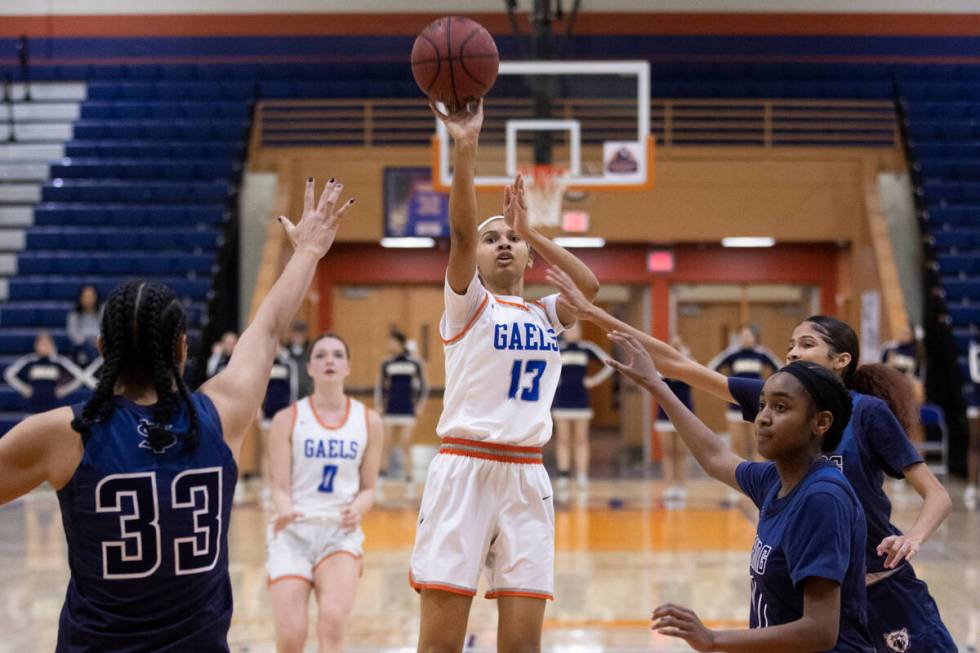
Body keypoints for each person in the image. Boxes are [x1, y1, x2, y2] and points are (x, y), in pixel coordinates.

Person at [0, 176, 354, 650]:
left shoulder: (64, 433)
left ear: (105, 349)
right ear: (184, 348)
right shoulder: (221, 414)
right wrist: (309, 250)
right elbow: (269, 328)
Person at [547, 268, 957, 653]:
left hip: (883, 587)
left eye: (807, 344)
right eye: (790, 346)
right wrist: (591, 314)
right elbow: (680, 369)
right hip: (815, 593)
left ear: (841, 361)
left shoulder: (864, 413)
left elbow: (935, 494)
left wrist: (912, 538)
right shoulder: (779, 406)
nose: (793, 354)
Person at [410, 100, 599, 653]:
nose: (502, 245)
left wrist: (530, 230)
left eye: (509, 240)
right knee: (440, 644)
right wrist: (465, 149)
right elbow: (463, 238)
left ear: (527, 257)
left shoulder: (543, 314)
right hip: (464, 470)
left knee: (522, 647)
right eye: (494, 239)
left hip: (526, 476)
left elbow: (587, 291)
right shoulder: (469, 307)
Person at [609, 335, 873, 652]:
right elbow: (715, 457)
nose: (762, 417)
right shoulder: (776, 479)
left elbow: (820, 630)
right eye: (762, 405)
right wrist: (657, 386)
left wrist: (713, 639)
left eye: (780, 407)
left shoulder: (822, 498)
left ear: (821, 422)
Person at [266, 332, 383, 653]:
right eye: (320, 355)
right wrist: (285, 506)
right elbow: (278, 486)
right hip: (293, 532)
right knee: (292, 636)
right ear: (310, 368)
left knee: (331, 623)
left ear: (348, 366)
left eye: (336, 355)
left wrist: (358, 508)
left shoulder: (369, 421)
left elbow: (369, 489)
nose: (329, 360)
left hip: (339, 533)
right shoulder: (286, 419)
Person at [551, 321, 613, 491]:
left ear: (580, 332)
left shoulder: (587, 348)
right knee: (563, 439)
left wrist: (593, 381)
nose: (572, 332)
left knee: (582, 439)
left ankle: (582, 474)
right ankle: (563, 473)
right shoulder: (557, 347)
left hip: (581, 399)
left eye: (576, 329)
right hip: (561, 399)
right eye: (569, 330)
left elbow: (609, 364)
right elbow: (546, 367)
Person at [708, 324, 781, 464]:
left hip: (757, 405)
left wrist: (771, 389)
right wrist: (721, 387)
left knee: (758, 443)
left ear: (755, 337)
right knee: (737, 443)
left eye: (749, 335)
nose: (746, 338)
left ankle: (759, 479)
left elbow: (780, 369)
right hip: (735, 404)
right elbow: (711, 367)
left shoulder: (762, 353)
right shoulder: (732, 353)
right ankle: (740, 478)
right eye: (743, 335)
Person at [374, 328, 428, 496]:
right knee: (386, 444)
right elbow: (380, 386)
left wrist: (420, 405)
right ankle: (380, 479)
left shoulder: (415, 362)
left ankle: (409, 480)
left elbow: (424, 385)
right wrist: (379, 404)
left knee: (406, 443)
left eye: (393, 342)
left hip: (408, 408)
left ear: (401, 343)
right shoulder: (386, 363)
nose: (390, 345)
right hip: (390, 408)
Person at [3, 332, 86, 413]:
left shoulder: (58, 360)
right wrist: (23, 388)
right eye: (41, 344)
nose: (44, 347)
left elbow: (80, 375)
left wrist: (65, 390)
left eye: (47, 344)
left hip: (53, 402)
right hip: (33, 402)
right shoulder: (29, 360)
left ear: (52, 346)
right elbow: (8, 374)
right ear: (36, 346)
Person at [655, 336, 694, 504]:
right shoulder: (660, 365)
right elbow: (654, 378)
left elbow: (696, 373)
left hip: (685, 414)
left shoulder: (689, 363)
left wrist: (685, 354)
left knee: (681, 451)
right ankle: (669, 487)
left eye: (679, 344)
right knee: (668, 452)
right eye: (673, 344)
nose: (676, 346)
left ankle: (681, 487)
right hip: (664, 414)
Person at [967, 339, 980, 510]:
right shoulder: (974, 345)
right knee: (975, 444)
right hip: (976, 404)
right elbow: (976, 374)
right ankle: (971, 486)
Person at [286, 321, 313, 397]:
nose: (298, 336)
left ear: (305, 335)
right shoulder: (284, 352)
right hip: (288, 395)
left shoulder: (311, 352)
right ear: (291, 334)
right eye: (296, 333)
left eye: (300, 334)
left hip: (307, 394)